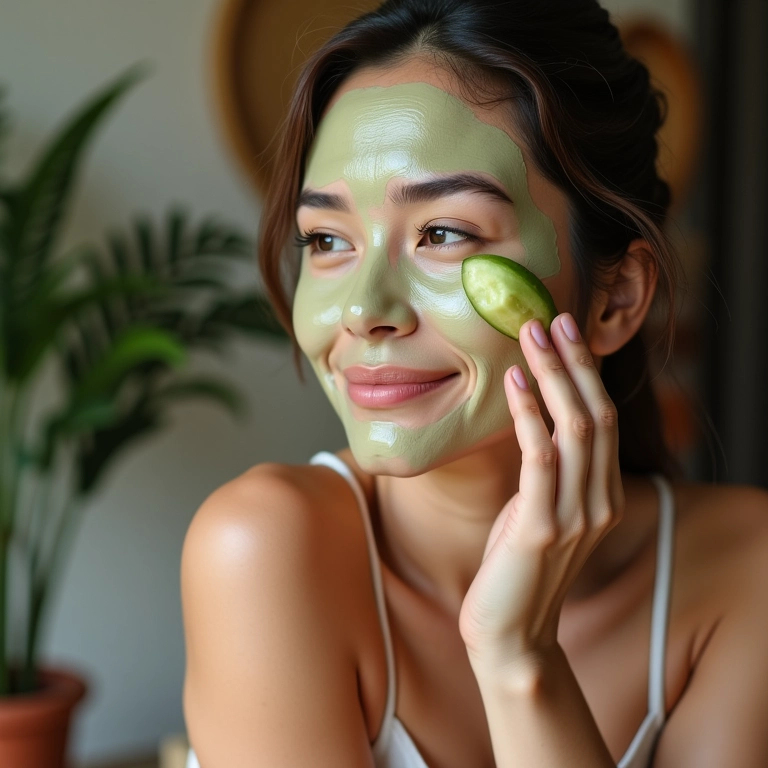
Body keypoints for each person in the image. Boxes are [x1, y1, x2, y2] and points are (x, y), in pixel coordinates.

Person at [181, 1, 768, 766]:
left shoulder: (745, 572)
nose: (363, 310)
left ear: (616, 297)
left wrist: (518, 658)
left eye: (444, 234)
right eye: (326, 240)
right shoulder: (263, 550)